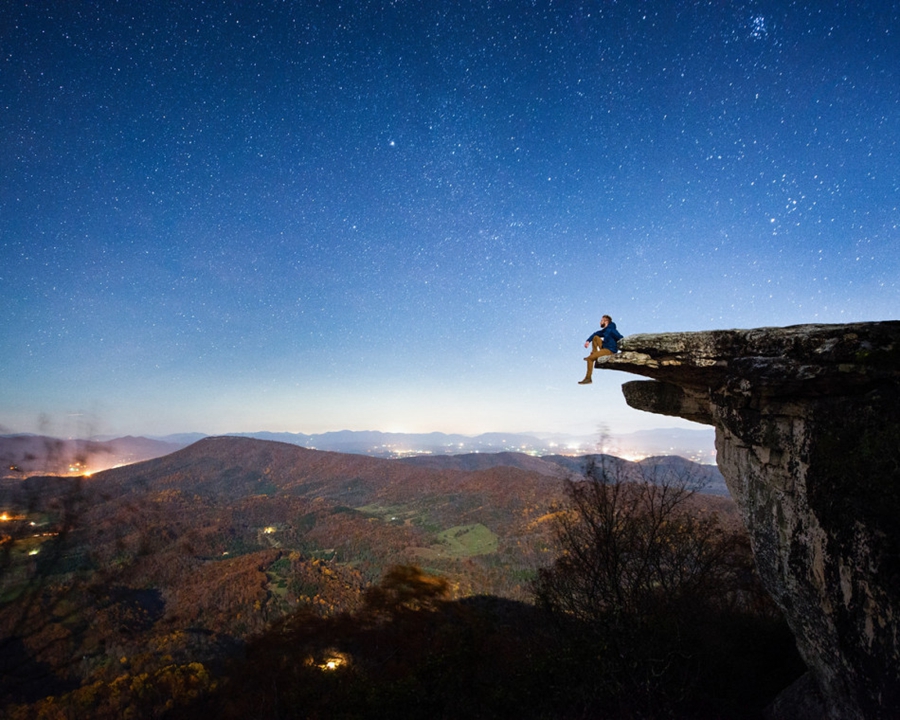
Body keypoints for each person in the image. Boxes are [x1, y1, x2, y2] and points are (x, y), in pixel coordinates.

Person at [579, 314, 623, 384]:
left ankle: (588, 378)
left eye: (601, 320)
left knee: (590, 359)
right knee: (596, 337)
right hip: (604, 347)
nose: (600, 322)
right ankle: (594, 353)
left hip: (610, 350)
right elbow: (595, 334)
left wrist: (620, 348)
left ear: (606, 321)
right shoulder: (605, 330)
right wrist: (588, 341)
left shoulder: (612, 330)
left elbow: (620, 337)